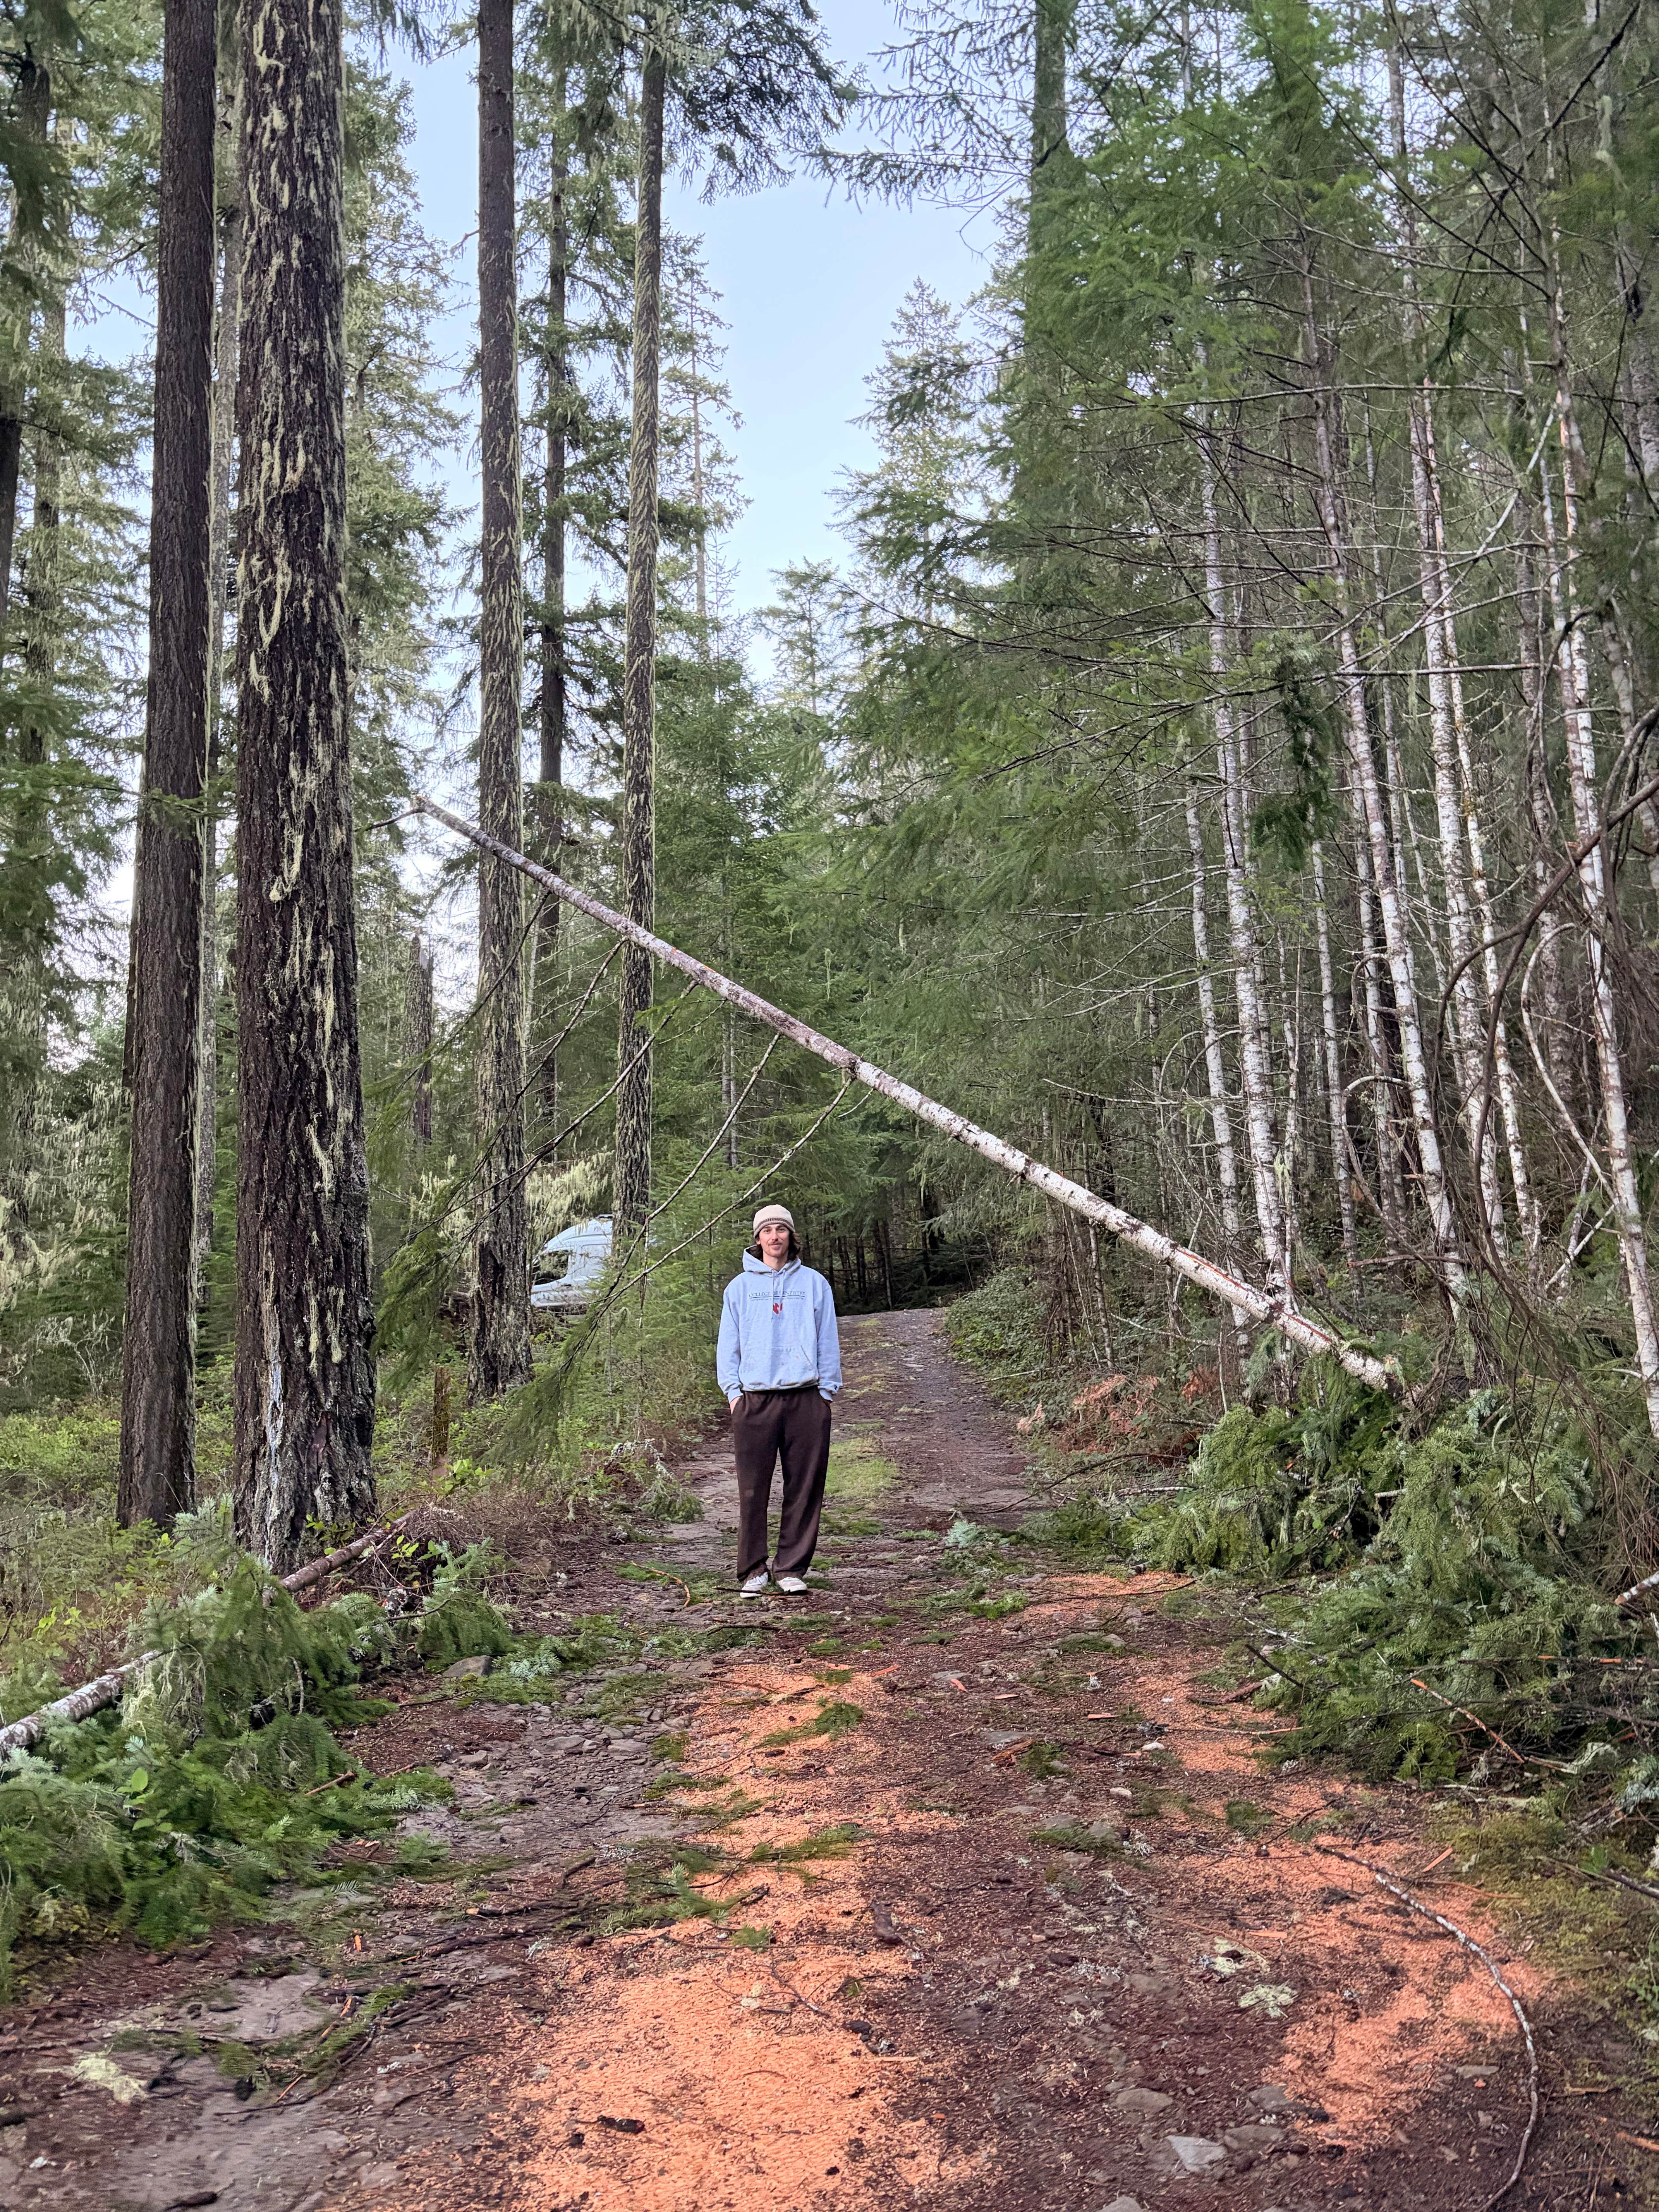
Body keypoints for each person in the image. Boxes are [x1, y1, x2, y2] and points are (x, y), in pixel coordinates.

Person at [716, 1203, 842, 1597]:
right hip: (755, 1401)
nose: (774, 1237)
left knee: (805, 1486)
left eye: (781, 1230)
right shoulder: (739, 1288)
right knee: (752, 1489)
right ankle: (753, 1569)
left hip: (805, 1399)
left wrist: (825, 1394)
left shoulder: (814, 1284)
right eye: (767, 1230)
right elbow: (728, 1347)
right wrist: (734, 1394)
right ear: (758, 1239)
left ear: (791, 1237)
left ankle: (791, 1567)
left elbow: (827, 1340)